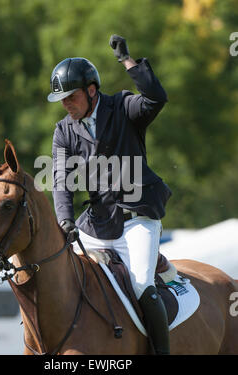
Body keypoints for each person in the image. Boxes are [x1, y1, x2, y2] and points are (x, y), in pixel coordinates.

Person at [48, 35, 172, 355]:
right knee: (61, 277)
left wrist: (128, 62)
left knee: (143, 287)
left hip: (136, 219)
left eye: (71, 97)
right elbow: (61, 180)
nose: (66, 104)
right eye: (62, 99)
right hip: (96, 224)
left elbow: (156, 98)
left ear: (91, 90)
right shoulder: (64, 130)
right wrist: (64, 221)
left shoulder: (123, 106)